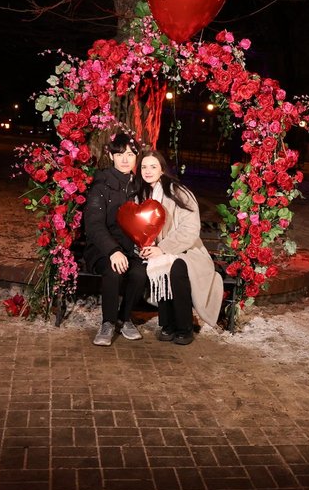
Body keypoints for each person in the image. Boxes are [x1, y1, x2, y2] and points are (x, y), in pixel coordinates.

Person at [122, 149, 224, 345]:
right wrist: (145, 246)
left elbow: (190, 228)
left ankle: (183, 327)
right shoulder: (140, 194)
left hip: (187, 251)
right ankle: (166, 324)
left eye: (153, 166)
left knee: (176, 269)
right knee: (158, 266)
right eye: (144, 167)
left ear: (162, 170)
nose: (148, 171)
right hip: (155, 250)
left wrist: (164, 248)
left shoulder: (178, 192)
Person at [82, 133, 142, 346]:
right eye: (119, 154)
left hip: (129, 249)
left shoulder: (139, 187)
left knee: (140, 272)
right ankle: (108, 322)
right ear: (111, 156)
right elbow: (94, 224)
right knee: (113, 269)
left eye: (129, 154)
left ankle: (124, 319)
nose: (125, 159)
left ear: (136, 156)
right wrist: (112, 250)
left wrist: (144, 245)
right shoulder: (102, 185)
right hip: (102, 249)